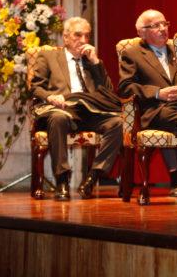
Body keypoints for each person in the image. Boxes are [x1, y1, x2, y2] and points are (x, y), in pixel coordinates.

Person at [118, 9, 177, 205]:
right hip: (155, 110)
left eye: (164, 24)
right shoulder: (132, 53)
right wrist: (159, 93)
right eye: (155, 25)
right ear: (142, 32)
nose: (162, 29)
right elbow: (126, 88)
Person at [30, 17, 123, 201]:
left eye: (87, 36)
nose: (83, 40)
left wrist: (96, 62)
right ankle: (62, 179)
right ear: (65, 37)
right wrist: (50, 97)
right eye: (77, 35)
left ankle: (93, 176)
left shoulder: (92, 61)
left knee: (119, 123)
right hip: (62, 109)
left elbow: (109, 93)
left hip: (88, 111)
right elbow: (35, 87)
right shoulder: (48, 57)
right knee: (58, 118)